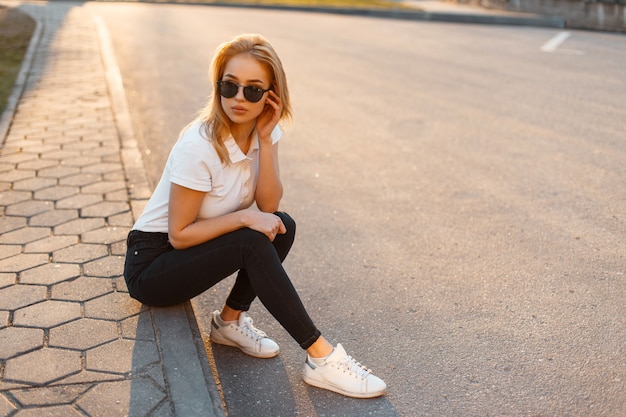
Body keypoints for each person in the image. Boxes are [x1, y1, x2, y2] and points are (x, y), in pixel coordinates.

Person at [123, 33, 386, 399]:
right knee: (251, 236)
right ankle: (322, 359)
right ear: (218, 86)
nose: (238, 99)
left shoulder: (262, 132)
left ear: (271, 94)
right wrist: (244, 220)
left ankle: (228, 323)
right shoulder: (199, 144)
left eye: (253, 90)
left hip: (180, 252)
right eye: (229, 87)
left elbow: (268, 204)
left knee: (281, 226)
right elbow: (179, 235)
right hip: (151, 267)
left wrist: (268, 140)